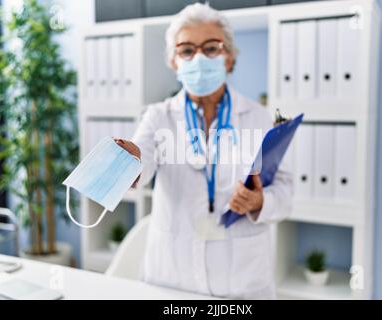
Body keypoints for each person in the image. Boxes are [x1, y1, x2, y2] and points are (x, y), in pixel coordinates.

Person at [114, 3, 293, 299]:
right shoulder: (158, 116)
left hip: (242, 284)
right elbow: (142, 161)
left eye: (211, 48)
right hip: (172, 281)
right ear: (173, 61)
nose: (198, 58)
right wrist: (130, 160)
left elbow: (286, 192)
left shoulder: (261, 118)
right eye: (186, 50)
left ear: (230, 58)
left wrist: (261, 201)